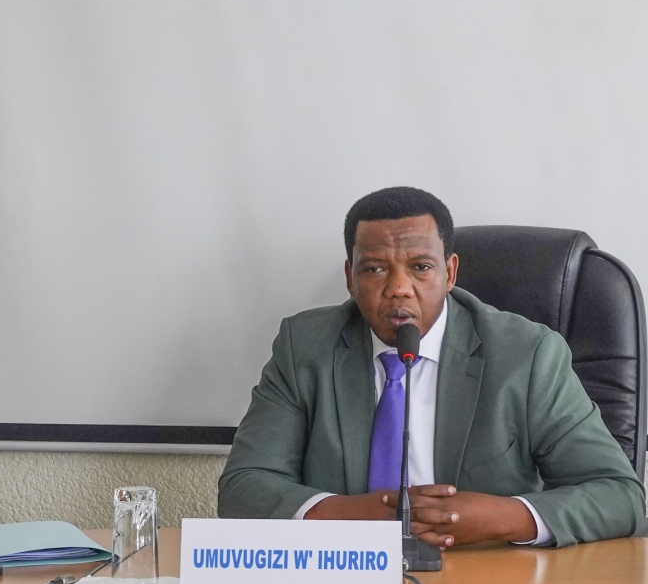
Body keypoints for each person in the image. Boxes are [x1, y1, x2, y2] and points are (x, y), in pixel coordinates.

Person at [218, 186, 644, 548]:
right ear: (350, 277)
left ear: (450, 272)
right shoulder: (306, 347)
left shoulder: (528, 355)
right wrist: (351, 516)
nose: (399, 288)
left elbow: (621, 497)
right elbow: (244, 488)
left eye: (420, 267)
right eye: (375, 268)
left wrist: (506, 517)